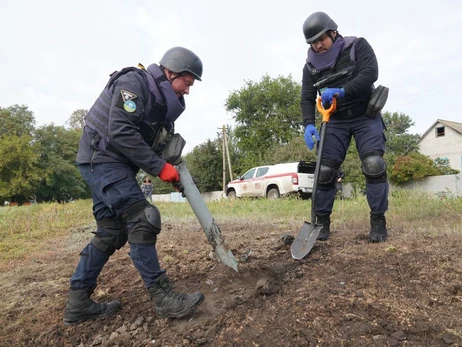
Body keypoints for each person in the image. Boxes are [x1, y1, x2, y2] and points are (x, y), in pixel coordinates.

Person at [63, 47, 205, 325]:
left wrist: (173, 174)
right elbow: (120, 131)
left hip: (110, 165)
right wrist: (159, 168)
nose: (188, 91)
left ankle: (77, 303)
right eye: (186, 83)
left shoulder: (160, 106)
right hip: (101, 159)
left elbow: (158, 147)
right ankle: (163, 298)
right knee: (143, 219)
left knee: (112, 232)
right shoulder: (134, 83)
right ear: (170, 72)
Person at [300, 11, 389, 243]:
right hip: (335, 120)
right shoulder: (309, 67)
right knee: (325, 171)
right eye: (313, 42)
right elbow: (307, 98)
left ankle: (378, 222)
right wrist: (309, 125)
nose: (318, 45)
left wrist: (343, 90)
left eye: (321, 39)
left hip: (364, 115)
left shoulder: (357, 46)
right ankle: (321, 224)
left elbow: (371, 73)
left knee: (373, 164)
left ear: (333, 32)